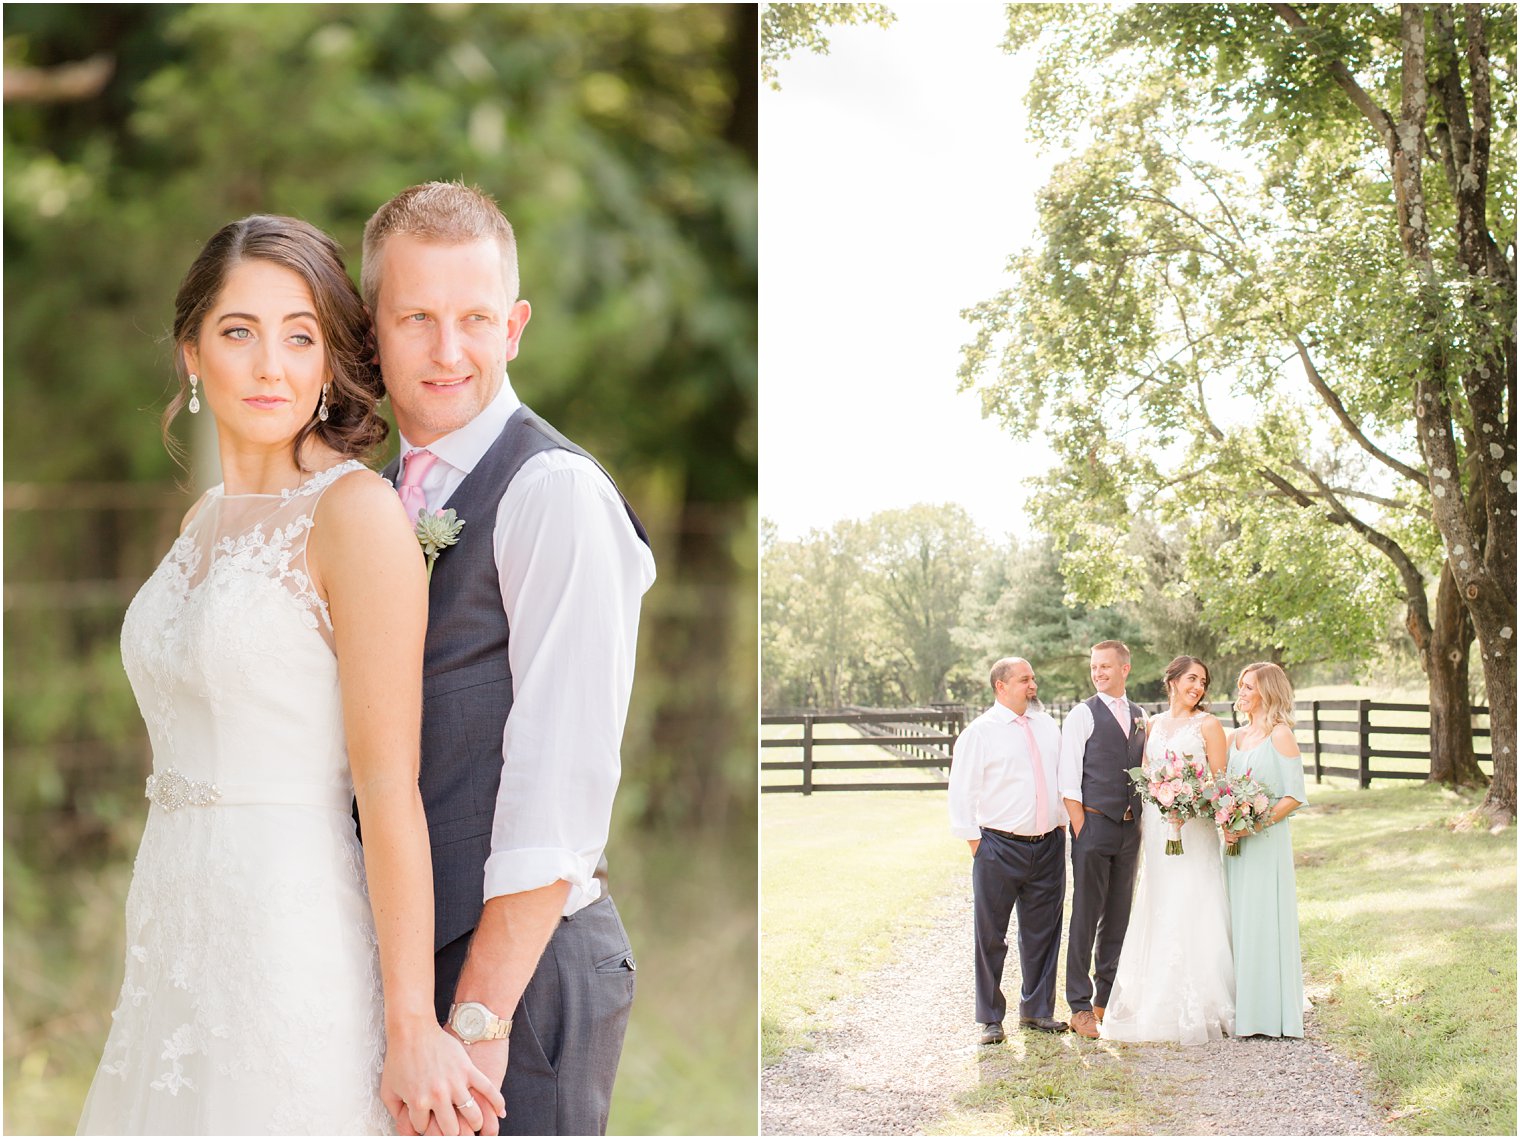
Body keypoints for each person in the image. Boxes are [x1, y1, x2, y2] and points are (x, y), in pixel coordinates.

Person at [77, 215, 502, 1134]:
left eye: (299, 335)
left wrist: (411, 1021)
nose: (271, 365)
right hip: (172, 927)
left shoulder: (355, 513)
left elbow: (391, 785)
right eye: (240, 332)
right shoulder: (199, 526)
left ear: (327, 361)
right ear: (193, 354)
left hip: (290, 932)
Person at [363, 181, 655, 1136]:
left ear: (516, 325)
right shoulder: (371, 499)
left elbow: (558, 785)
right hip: (409, 973)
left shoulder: (551, 491)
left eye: (476, 317)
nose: (450, 351)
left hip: (512, 989)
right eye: (417, 318)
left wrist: (478, 1022)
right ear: (372, 329)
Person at [1100, 656, 1235, 1044]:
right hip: (1160, 828)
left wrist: (1191, 800)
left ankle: (1207, 1000)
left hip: (1196, 828)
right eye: (1191, 678)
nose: (1198, 687)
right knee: (1160, 900)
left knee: (1196, 897)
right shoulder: (1152, 724)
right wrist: (1164, 800)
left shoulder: (1209, 725)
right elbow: (1146, 776)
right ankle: (1156, 998)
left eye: (1204, 681)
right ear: (1172, 680)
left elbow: (1220, 783)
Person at [948, 657, 1069, 1045]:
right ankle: (990, 1019)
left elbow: (1060, 776)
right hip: (998, 846)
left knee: (1044, 933)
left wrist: (1062, 822)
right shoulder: (980, 733)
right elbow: (961, 792)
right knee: (991, 935)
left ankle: (1036, 1011)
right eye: (1024, 680)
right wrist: (976, 845)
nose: (1033, 686)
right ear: (1001, 686)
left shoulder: (1047, 725)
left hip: (1048, 843)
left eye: (1033, 679)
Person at [1057, 639, 1147, 1040]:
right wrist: (1082, 829)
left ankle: (1104, 1001)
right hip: (1093, 826)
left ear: (1125, 669)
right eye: (1094, 667)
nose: (1098, 673)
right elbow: (1068, 779)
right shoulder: (1082, 714)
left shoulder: (1143, 716)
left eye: (1106, 667)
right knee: (1086, 914)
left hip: (1131, 829)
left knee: (1119, 916)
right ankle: (1079, 1004)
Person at [1223, 661, 1307, 1038]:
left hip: (1265, 842)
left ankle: (1269, 1014)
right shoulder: (1234, 737)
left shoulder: (1280, 735)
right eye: (1240, 686)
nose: (1241, 693)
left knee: (1261, 920)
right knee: (1236, 920)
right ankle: (1241, 1008)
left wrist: (1252, 825)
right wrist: (1226, 821)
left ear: (1267, 692)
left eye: (1248, 687)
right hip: (1233, 847)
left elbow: (1294, 796)